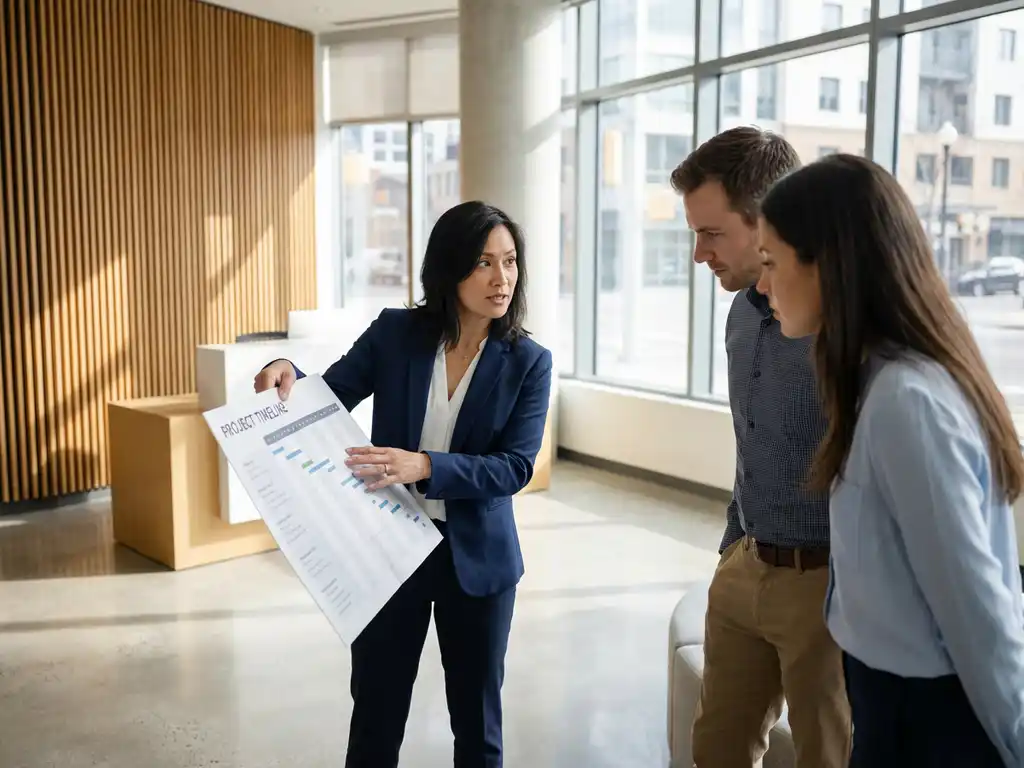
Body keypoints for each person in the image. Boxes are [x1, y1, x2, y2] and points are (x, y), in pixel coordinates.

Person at [254, 201, 553, 768]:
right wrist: (284, 369)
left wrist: (426, 465)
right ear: (449, 268)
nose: (501, 279)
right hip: (390, 551)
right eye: (483, 263)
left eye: (510, 262)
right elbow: (328, 396)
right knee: (376, 712)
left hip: (478, 561)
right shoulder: (397, 333)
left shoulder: (529, 361)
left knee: (476, 723)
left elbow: (515, 467)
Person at [757, 152, 1024, 767]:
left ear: (831, 264)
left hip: (932, 717)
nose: (763, 283)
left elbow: (974, 607)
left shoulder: (907, 402)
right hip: (891, 697)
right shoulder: (877, 383)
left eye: (772, 262)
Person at [670, 126, 851, 767]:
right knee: (714, 750)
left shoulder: (844, 332)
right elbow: (751, 443)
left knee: (825, 757)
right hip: (745, 564)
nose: (698, 254)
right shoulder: (741, 313)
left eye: (712, 234)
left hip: (825, 588)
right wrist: (731, 552)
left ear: (767, 221)